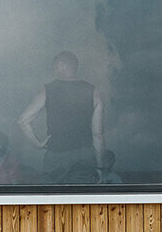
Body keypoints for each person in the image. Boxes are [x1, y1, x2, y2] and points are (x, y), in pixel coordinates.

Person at [17, 51, 104, 183]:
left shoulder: (47, 90)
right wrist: (100, 166)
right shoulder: (93, 91)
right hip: (84, 157)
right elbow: (98, 134)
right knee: (82, 200)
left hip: (55, 157)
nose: (53, 68)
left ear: (61, 65)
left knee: (52, 200)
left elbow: (23, 121)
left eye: (54, 65)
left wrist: (38, 144)